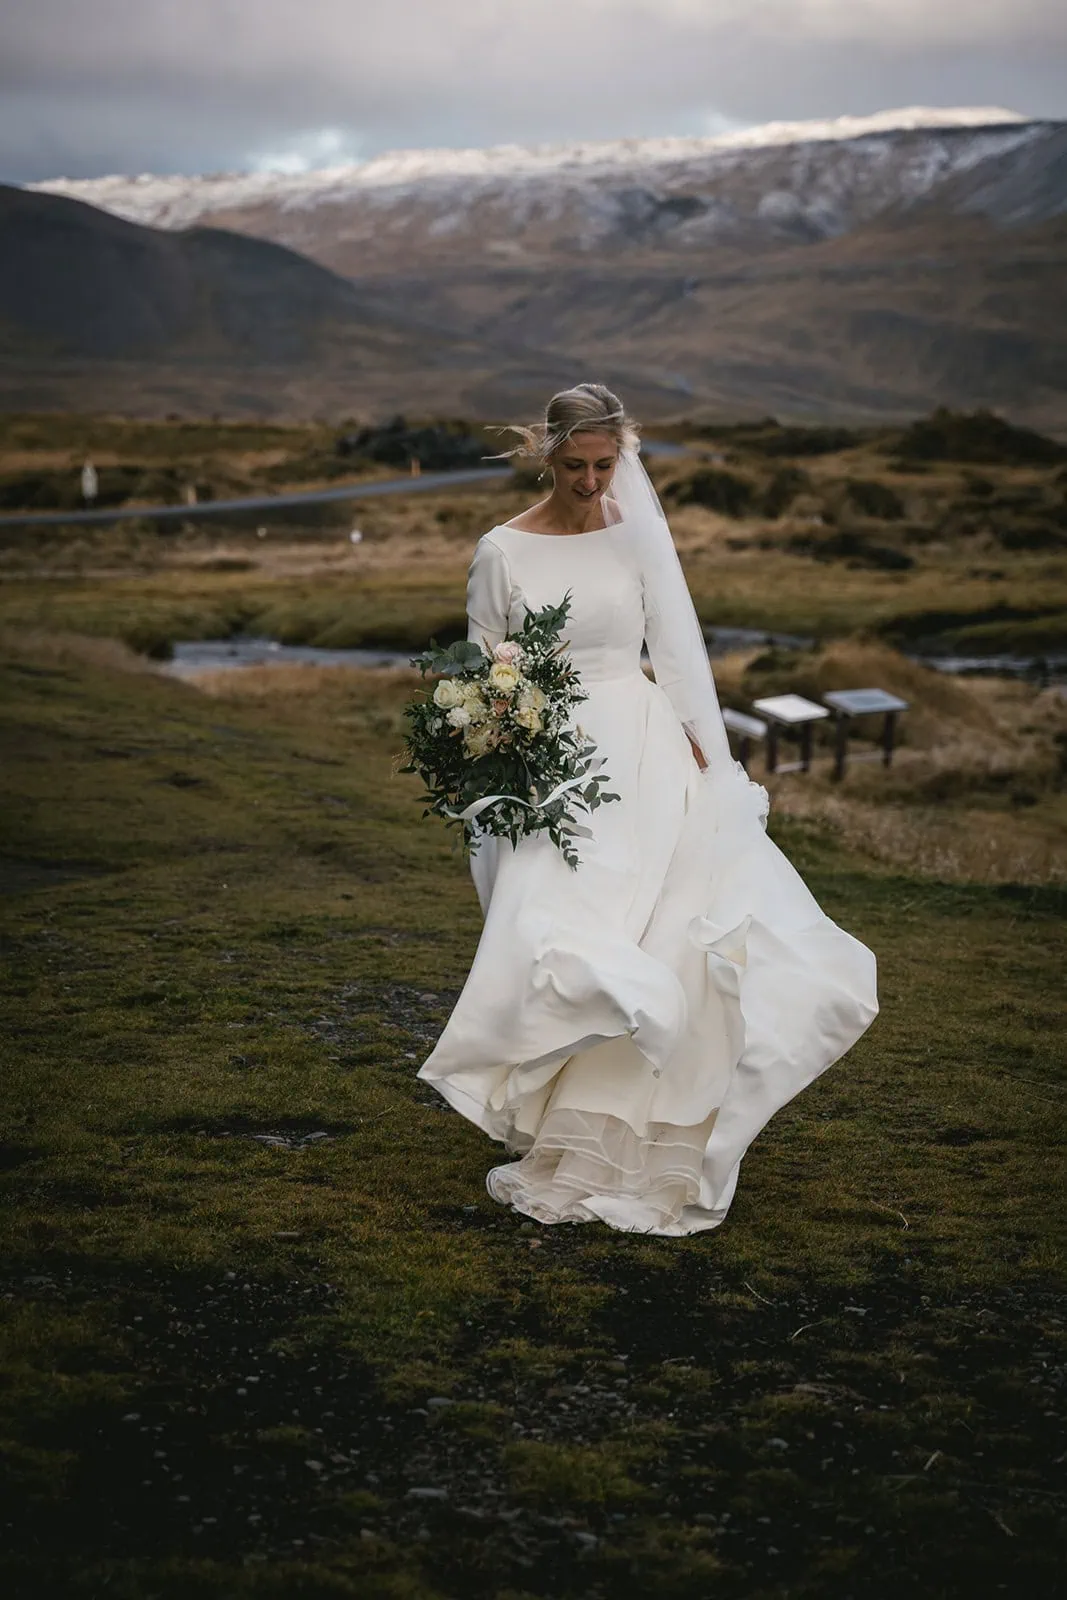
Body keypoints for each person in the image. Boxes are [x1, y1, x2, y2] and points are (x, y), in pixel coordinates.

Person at [417, 383, 878, 1236]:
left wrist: (707, 751)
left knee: (660, 927)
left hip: (642, 747)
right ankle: (563, 1091)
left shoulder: (637, 537)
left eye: (604, 465)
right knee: (557, 926)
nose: (590, 482)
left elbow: (671, 649)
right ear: (546, 454)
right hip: (550, 764)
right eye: (574, 465)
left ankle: (626, 1121)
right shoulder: (500, 551)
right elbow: (479, 669)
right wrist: (495, 742)